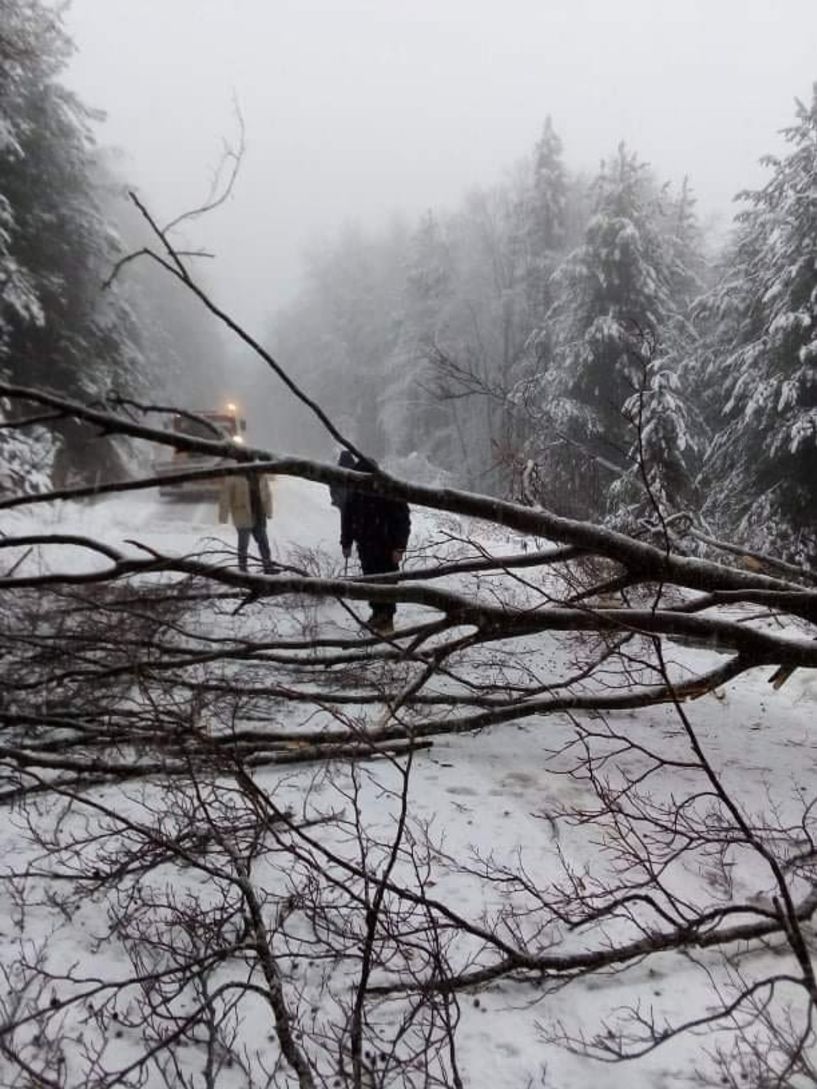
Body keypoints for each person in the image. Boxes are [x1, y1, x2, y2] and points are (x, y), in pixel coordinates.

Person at [340, 457, 410, 635]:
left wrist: (399, 547)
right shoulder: (355, 492)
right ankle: (377, 613)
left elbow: (402, 520)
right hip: (365, 545)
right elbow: (347, 518)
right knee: (370, 580)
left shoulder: (389, 490)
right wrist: (346, 542)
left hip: (386, 546)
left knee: (387, 581)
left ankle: (386, 618)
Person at [218, 468, 274, 573]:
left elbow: (267, 495)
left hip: (259, 515)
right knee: (243, 545)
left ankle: (268, 567)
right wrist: (223, 517)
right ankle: (243, 569)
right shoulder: (234, 477)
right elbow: (225, 497)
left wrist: (269, 511)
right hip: (242, 514)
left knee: (264, 542)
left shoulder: (261, 475)